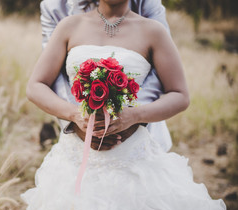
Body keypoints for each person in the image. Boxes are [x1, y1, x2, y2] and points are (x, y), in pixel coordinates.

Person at [22, 0, 230, 210]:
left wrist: (134, 116)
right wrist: (75, 116)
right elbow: (36, 86)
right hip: (75, 155)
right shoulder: (69, 26)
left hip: (131, 155)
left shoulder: (153, 30)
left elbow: (180, 95)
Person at [41, 0, 172, 151]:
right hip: (79, 132)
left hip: (139, 130)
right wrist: (79, 120)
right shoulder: (54, 8)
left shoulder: (149, 13)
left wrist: (132, 117)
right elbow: (53, 77)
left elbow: (160, 71)